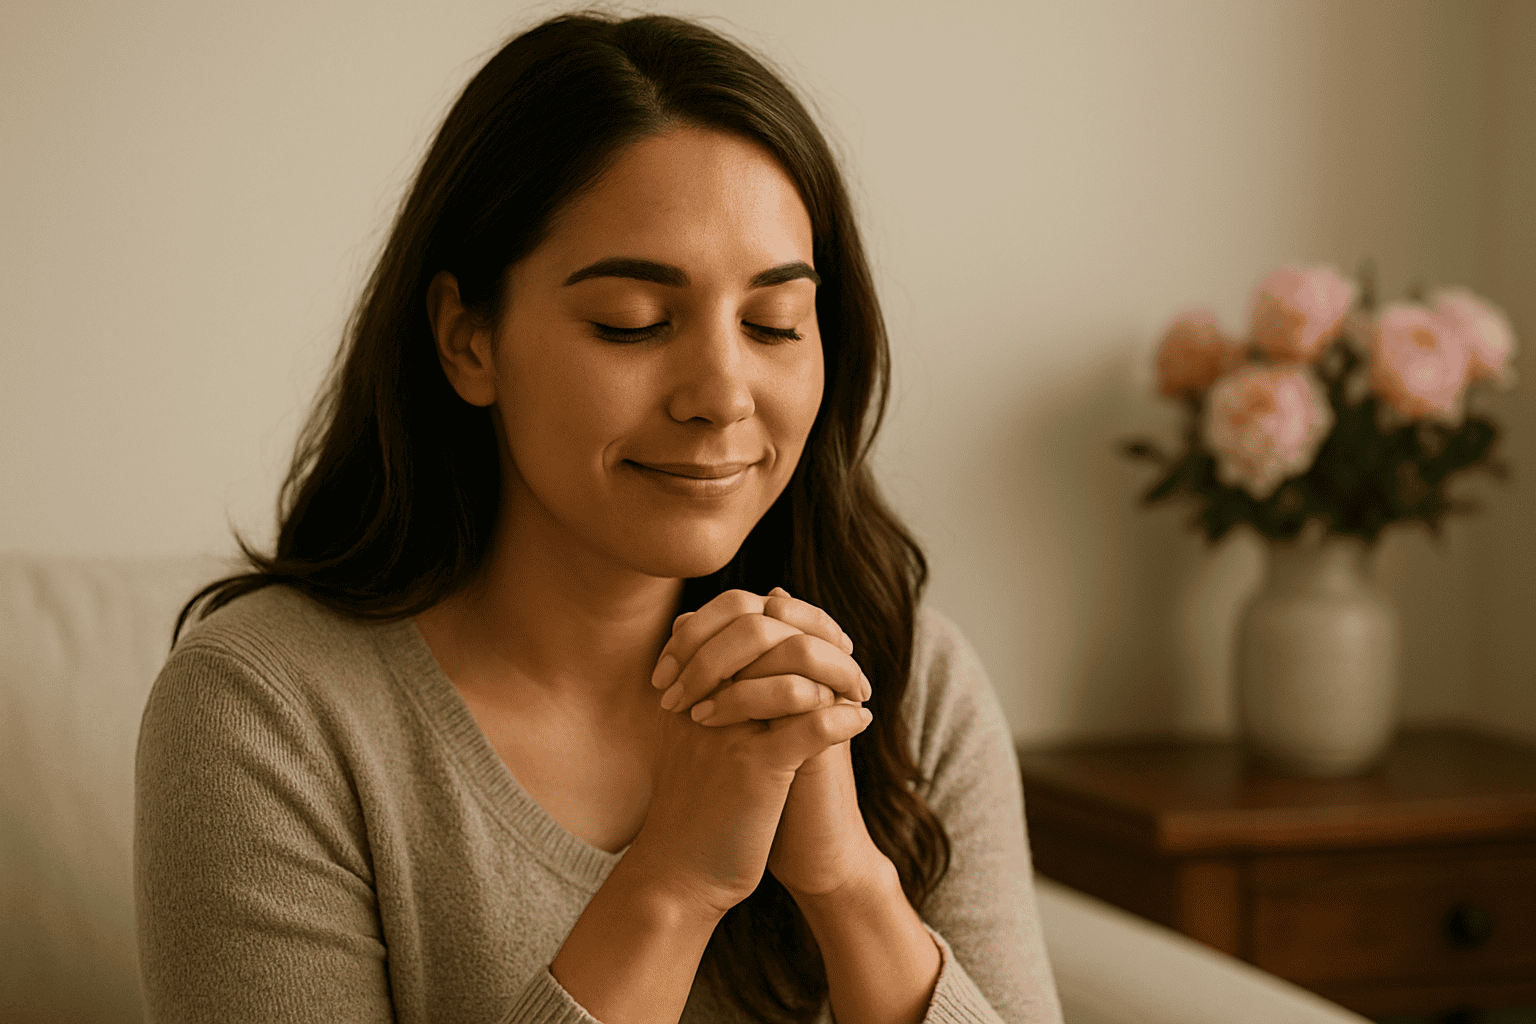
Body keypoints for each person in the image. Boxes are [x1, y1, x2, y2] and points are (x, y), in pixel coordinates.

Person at [135, 11, 1063, 1024]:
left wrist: (848, 883)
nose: (722, 392)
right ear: (467, 338)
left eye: (773, 323)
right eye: (634, 322)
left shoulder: (909, 681)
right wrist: (671, 885)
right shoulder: (266, 711)